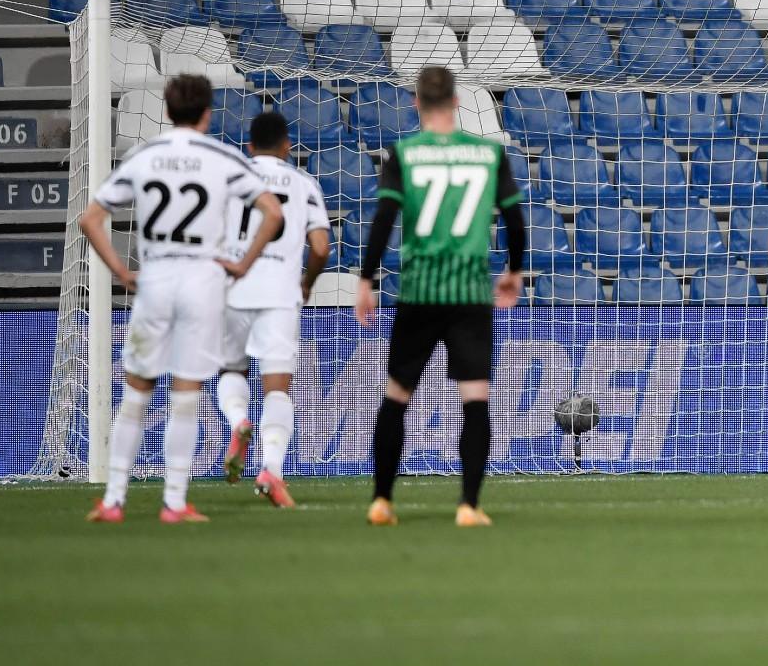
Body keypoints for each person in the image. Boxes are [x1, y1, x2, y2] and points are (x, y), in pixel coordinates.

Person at [81, 74, 284, 523]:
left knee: (136, 394)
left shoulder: (144, 155)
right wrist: (244, 263)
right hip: (202, 282)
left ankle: (114, 499)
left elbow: (91, 218)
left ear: (167, 111)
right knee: (185, 395)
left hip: (154, 280)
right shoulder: (222, 158)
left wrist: (120, 270)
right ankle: (174, 502)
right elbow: (272, 212)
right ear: (208, 113)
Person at [357, 67, 526, 527]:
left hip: (419, 290)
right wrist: (513, 271)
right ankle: (469, 505)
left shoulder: (403, 154)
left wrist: (367, 280)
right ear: (455, 102)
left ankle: (381, 501)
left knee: (396, 397)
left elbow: (384, 217)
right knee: (475, 399)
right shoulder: (489, 153)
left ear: (416, 103)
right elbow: (514, 216)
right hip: (470, 292)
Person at [214, 111, 332, 508]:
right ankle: (271, 471)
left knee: (232, 371)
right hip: (281, 293)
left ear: (249, 146)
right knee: (277, 390)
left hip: (235, 288)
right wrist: (306, 283)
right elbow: (319, 248)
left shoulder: (230, 179)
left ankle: (237, 422)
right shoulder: (303, 184)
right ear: (287, 146)